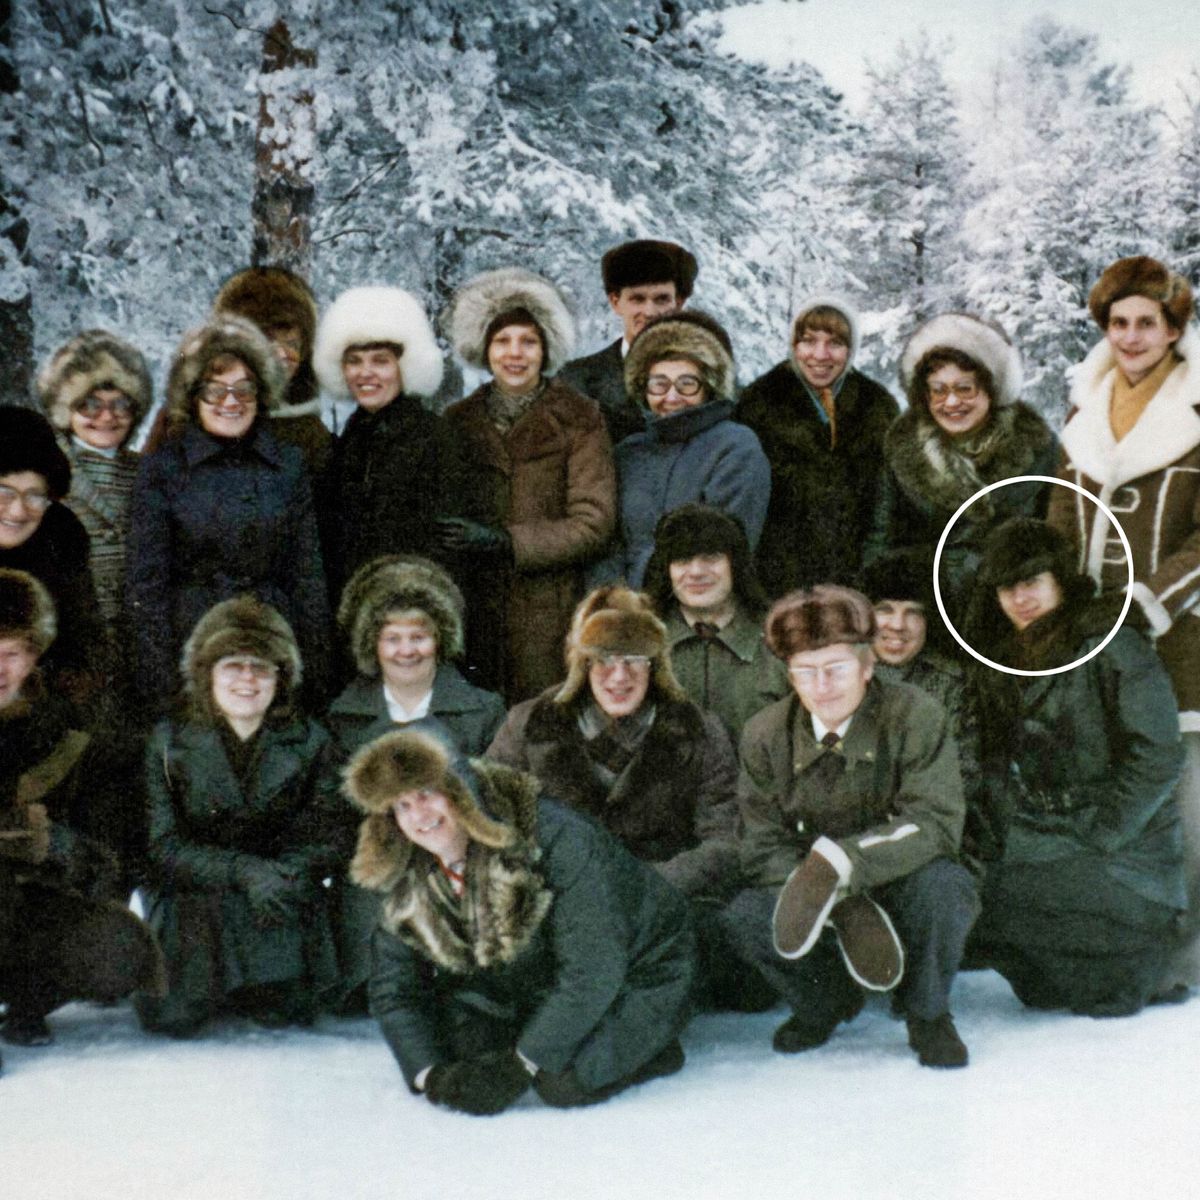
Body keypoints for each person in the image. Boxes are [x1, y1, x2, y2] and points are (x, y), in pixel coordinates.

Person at [346, 728, 695, 1113]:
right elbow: (395, 990)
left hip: (642, 970)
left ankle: (656, 1046)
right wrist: (432, 1076)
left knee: (561, 1080)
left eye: (428, 794)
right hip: (538, 976)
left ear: (460, 792)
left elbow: (593, 969)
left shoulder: (559, 837)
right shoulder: (404, 864)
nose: (419, 816)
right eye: (401, 805)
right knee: (463, 1053)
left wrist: (520, 1065)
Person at [724, 585, 977, 1067]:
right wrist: (836, 901)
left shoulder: (916, 716)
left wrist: (845, 865)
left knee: (948, 887)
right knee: (745, 915)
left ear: (867, 666)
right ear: (790, 676)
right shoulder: (764, 734)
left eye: (836, 668)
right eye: (806, 671)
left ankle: (928, 1013)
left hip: (898, 872)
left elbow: (934, 820)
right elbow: (761, 844)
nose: (823, 685)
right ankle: (825, 1002)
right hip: (809, 887)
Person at [1048, 256, 1200, 998]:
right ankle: (1123, 946)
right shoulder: (1082, 410)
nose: (1133, 336)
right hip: (1094, 645)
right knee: (1116, 795)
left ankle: (1187, 957)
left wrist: (1150, 598)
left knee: (1185, 801)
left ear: (1176, 329)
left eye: (1149, 322)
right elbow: (1057, 515)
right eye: (1119, 322)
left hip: (1180, 642)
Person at [487, 585, 751, 1006]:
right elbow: (492, 825)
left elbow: (726, 841)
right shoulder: (529, 724)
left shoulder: (699, 730)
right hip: (562, 906)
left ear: (656, 665)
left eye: (635, 661)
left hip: (664, 902)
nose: (619, 676)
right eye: (604, 660)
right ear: (582, 662)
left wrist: (646, 889)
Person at [964, 518, 1185, 1016]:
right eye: (1007, 587)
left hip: (1127, 850)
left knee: (994, 898)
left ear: (1059, 580)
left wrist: (1104, 834)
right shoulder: (1004, 659)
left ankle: (1132, 966)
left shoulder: (1111, 642)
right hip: (1050, 835)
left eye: (1032, 582)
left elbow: (1157, 753)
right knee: (977, 893)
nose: (1020, 598)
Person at [135, 597, 339, 1037]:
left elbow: (325, 834)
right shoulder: (169, 741)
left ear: (280, 679)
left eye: (261, 667)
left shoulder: (311, 740)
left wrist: (282, 875)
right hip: (195, 898)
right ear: (207, 673)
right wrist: (244, 870)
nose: (247, 679)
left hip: (275, 897)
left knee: (288, 1010)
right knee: (174, 1018)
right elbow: (163, 846)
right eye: (232, 665)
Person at [324, 555, 506, 1011]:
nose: (407, 651)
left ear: (439, 640)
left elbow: (494, 796)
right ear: (374, 644)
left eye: (419, 637)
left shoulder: (481, 709)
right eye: (393, 639)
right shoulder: (344, 716)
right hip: (380, 859)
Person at [126, 315, 330, 713]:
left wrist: (316, 673)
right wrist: (160, 685)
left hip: (271, 642)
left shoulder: (288, 465)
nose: (231, 402)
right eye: (215, 391)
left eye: (244, 390)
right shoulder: (164, 469)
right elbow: (146, 585)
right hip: (193, 647)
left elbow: (308, 576)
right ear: (193, 396)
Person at [0, 569, 164, 1058]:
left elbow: (106, 828)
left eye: (11, 654)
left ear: (34, 656)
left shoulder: (63, 727)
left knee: (118, 952)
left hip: (30, 897)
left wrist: (64, 847)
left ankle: (27, 1004)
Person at [441, 267, 616, 701]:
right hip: (475, 605)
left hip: (549, 610)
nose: (514, 354)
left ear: (546, 348)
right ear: (484, 348)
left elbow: (593, 521)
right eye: (502, 341)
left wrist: (509, 542)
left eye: (528, 341)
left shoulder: (579, 416)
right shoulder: (457, 421)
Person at [866, 313, 1058, 625]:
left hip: (1014, 616)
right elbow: (880, 540)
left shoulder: (1038, 447)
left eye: (965, 388)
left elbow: (1056, 541)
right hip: (927, 617)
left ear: (991, 388)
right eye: (938, 390)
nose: (951, 402)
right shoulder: (901, 449)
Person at [313, 285, 468, 604]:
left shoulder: (435, 438)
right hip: (353, 608)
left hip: (411, 616)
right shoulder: (348, 439)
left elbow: (449, 547)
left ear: (404, 365)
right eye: (354, 361)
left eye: (380, 361)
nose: (365, 373)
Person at [737, 295, 898, 597]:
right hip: (775, 583)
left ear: (850, 350)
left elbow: (887, 507)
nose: (820, 355)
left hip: (856, 582)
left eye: (835, 343)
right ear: (794, 345)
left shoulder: (878, 407)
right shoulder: (758, 404)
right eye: (809, 341)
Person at [597, 310, 770, 588]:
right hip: (627, 612)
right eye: (659, 384)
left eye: (687, 384)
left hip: (700, 605)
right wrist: (614, 600)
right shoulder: (628, 453)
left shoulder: (735, 446)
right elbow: (607, 544)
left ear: (709, 387)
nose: (672, 396)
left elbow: (728, 545)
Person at [37, 329, 152, 640]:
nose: (106, 416)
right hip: (73, 630)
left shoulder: (147, 471)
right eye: (90, 404)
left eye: (121, 404)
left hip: (135, 634)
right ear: (65, 408)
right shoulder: (44, 470)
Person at [642, 503, 788, 745]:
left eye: (711, 558)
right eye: (682, 559)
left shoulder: (781, 639)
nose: (696, 571)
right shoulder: (643, 640)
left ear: (736, 565)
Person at [0, 406, 103, 708]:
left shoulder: (61, 533)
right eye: (4, 492)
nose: (19, 511)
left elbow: (84, 643)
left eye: (34, 495)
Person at [560, 239, 698, 446]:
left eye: (661, 299)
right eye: (637, 299)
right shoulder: (574, 382)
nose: (649, 312)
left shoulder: (707, 380)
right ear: (615, 302)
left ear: (679, 303)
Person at [212, 265, 333, 475]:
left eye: (293, 344)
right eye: (268, 341)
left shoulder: (312, 434)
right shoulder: (192, 420)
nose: (283, 354)